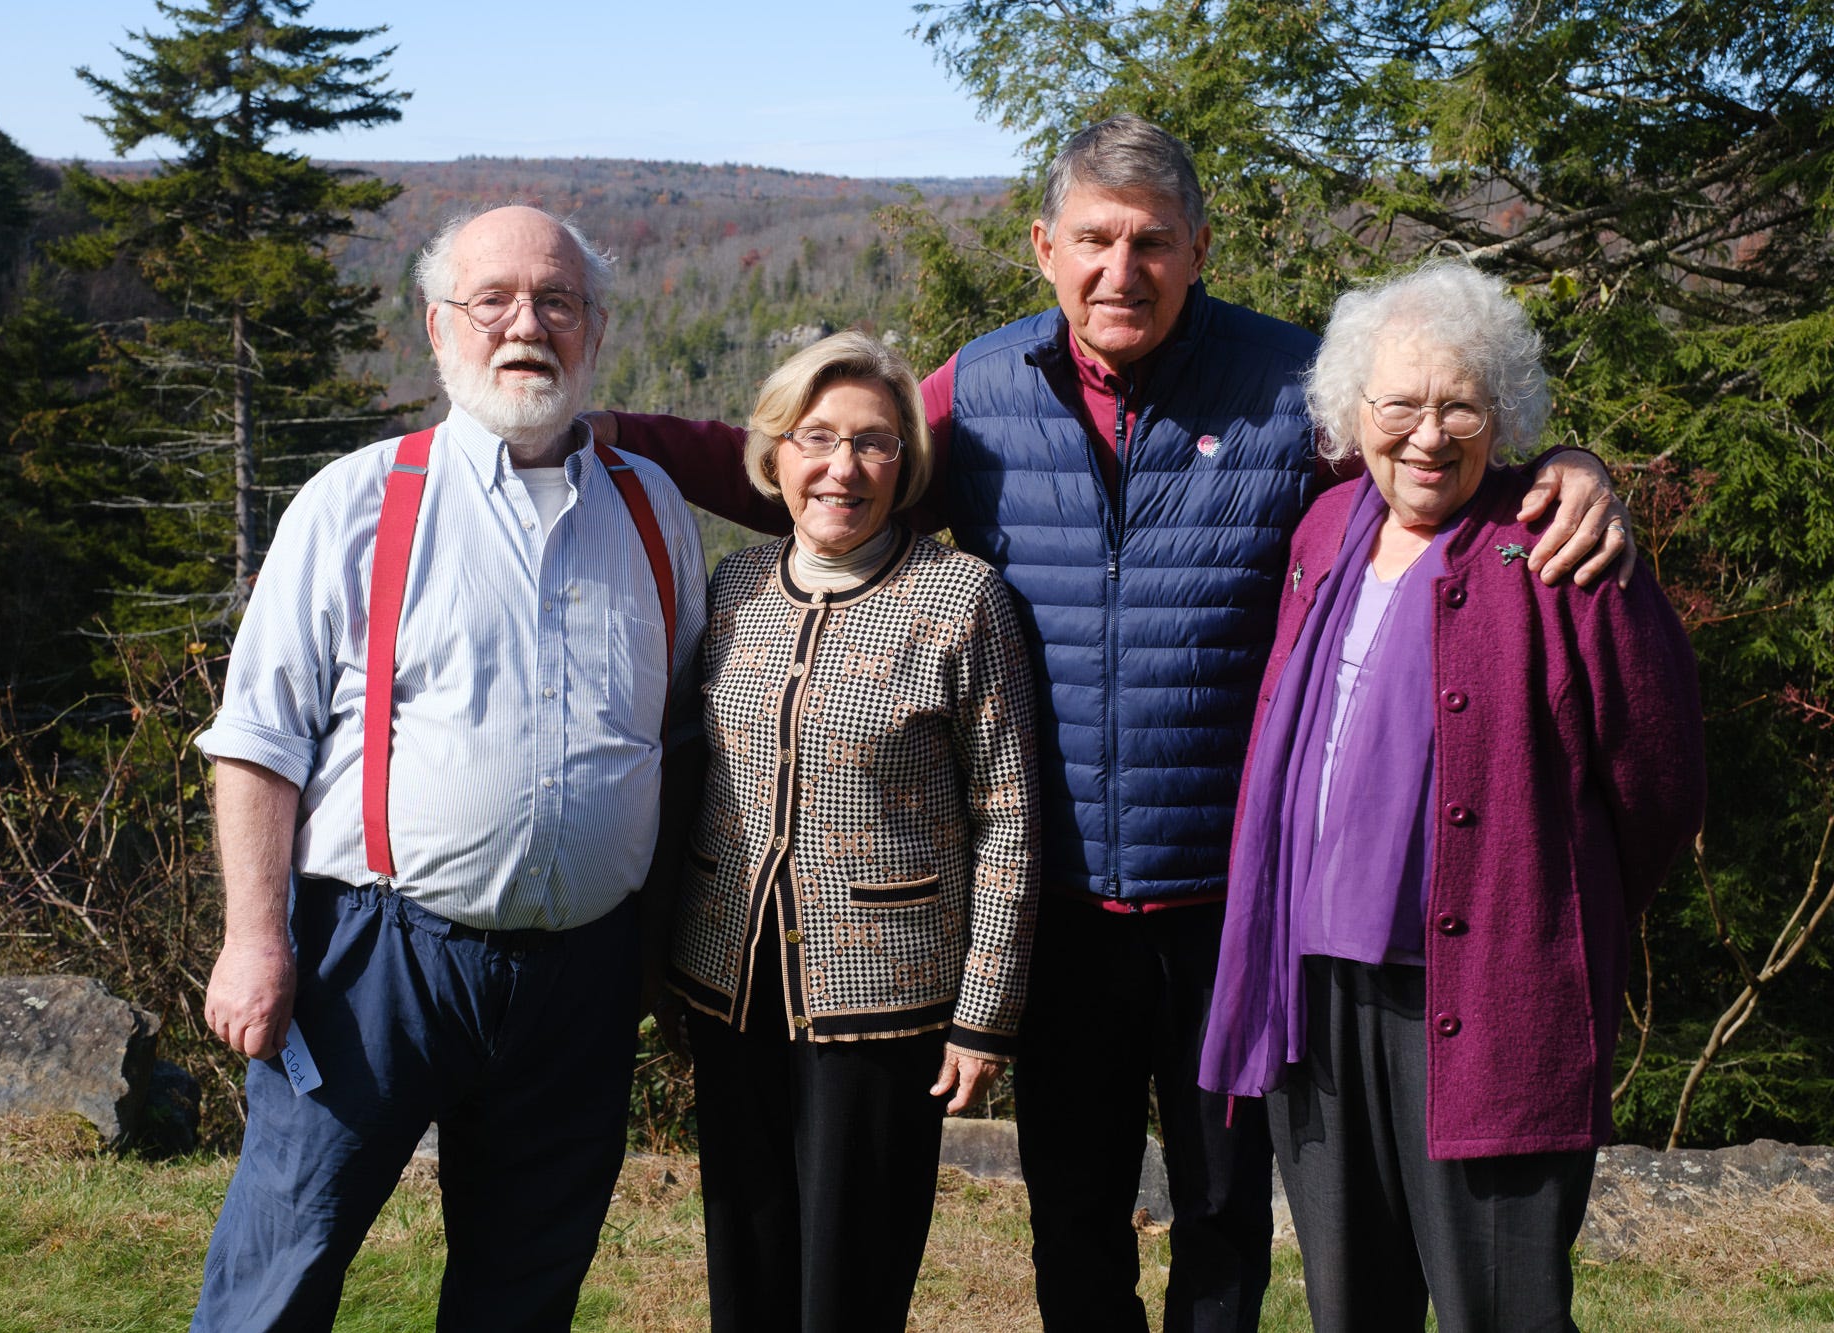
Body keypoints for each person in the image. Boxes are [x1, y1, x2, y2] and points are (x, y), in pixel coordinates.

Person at [593, 115, 1633, 1331]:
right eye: (1092, 239)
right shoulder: (983, 388)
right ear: (1044, 248)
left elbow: (1425, 467)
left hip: (1234, 901)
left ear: (1198, 248)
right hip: (1063, 899)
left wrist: (1560, 469)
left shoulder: (1289, 387)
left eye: (1149, 241)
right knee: (1074, 1217)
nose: (1119, 270)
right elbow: (827, 467)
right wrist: (606, 437)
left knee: (1222, 1216)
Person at [189, 204, 706, 1331]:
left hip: (582, 976)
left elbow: (671, 738)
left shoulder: (652, 511)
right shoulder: (358, 500)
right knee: (282, 1263)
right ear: (438, 328)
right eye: (494, 300)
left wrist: (655, 954)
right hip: (373, 961)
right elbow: (259, 739)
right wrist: (254, 939)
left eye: (557, 301)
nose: (527, 326)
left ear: (595, 329)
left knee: (525, 1288)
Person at [1198, 261, 1705, 1330]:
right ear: (1354, 414)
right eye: (1399, 406)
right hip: (1315, 992)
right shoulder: (1324, 529)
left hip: (1489, 1003)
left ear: (1501, 414)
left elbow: (1657, 781)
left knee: (1502, 1309)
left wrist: (1559, 914)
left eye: (1459, 407)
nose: (1427, 437)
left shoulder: (1558, 548)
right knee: (1350, 1303)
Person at [663, 331, 1038, 1332]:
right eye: (817, 438)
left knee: (850, 1281)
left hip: (884, 1000)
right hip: (729, 988)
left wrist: (984, 1013)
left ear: (904, 462)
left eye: (873, 442)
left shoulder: (960, 600)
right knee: (744, 1263)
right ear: (774, 453)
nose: (843, 467)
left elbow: (1007, 817)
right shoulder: (735, 585)